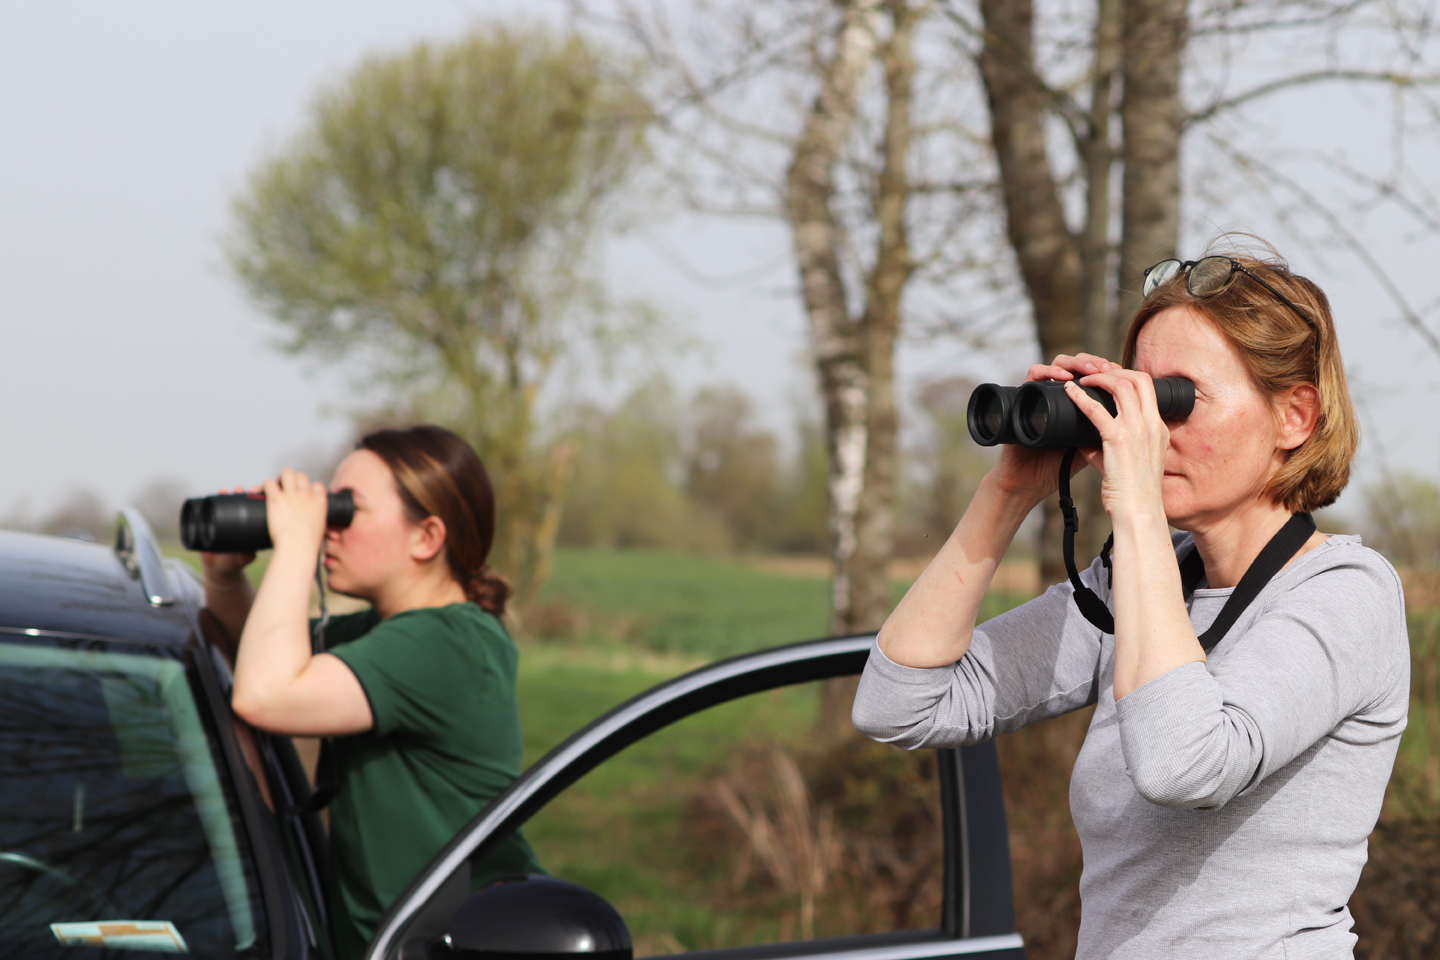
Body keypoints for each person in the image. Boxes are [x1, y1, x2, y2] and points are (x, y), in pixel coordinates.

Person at [852, 249, 1409, 958]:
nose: (1147, 428)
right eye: (1138, 398)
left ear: (1295, 415)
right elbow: (898, 704)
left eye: (1177, 399)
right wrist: (1007, 493)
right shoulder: (1145, 583)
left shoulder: (1348, 593)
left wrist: (1139, 505)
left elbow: (1187, 765)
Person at [201, 425, 542, 960]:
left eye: (344, 510)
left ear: (426, 538)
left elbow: (264, 694)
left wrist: (295, 542)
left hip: (470, 943)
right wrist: (225, 580)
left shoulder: (446, 643)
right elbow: (261, 655)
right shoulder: (385, 635)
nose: (327, 529)